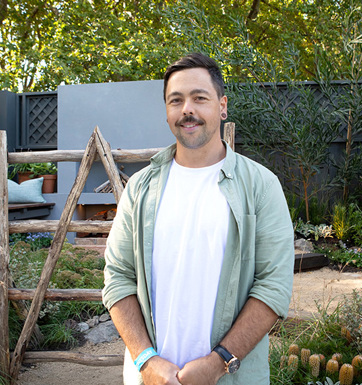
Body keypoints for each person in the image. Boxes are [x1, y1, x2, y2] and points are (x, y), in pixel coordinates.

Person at [102, 52, 294, 385]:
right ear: (167, 112)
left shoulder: (261, 186)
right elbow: (118, 277)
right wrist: (146, 361)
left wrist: (218, 362)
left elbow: (273, 286)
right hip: (150, 378)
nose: (187, 109)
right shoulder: (139, 189)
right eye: (175, 100)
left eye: (199, 98)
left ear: (222, 106)